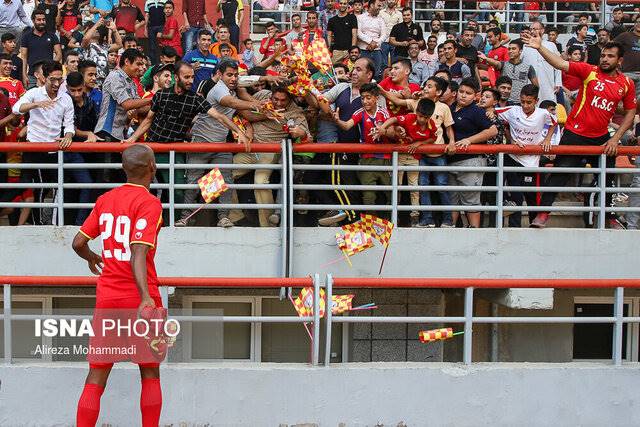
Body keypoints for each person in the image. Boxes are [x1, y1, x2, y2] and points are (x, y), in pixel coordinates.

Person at [72, 144, 164, 427]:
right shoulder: (150, 202)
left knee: (97, 374)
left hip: (108, 298)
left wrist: (92, 258)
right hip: (141, 298)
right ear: (152, 167)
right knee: (149, 372)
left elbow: (78, 243)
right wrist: (146, 297)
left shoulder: (105, 199)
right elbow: (138, 252)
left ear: (124, 169)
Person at [522, 33, 637, 229]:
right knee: (559, 174)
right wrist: (540, 47)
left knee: (607, 179)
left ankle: (609, 217)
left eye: (610, 56)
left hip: (602, 138)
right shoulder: (589, 71)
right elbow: (560, 64)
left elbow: (630, 112)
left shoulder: (626, 83)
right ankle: (543, 214)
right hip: (575, 134)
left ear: (620, 60)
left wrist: (615, 138)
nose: (605, 59)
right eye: (603, 55)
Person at [177, 59, 260, 227]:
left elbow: (254, 78)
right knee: (193, 181)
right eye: (229, 75)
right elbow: (232, 103)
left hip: (221, 144)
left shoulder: (234, 85)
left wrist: (272, 79)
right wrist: (258, 104)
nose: (233, 78)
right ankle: (185, 217)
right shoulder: (218, 89)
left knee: (226, 180)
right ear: (219, 75)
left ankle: (223, 217)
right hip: (201, 142)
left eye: (236, 75)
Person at [238, 85, 310, 227]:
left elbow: (307, 136)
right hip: (249, 148)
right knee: (224, 173)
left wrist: (300, 133)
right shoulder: (262, 95)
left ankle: (268, 226)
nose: (278, 103)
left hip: (270, 151)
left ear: (289, 99)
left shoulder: (295, 112)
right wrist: (248, 126)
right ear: (270, 95)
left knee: (260, 182)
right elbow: (240, 107)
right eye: (275, 99)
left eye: (283, 100)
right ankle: (234, 216)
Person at [12, 60, 75, 225]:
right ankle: (38, 224)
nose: (56, 83)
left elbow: (69, 125)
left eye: (59, 79)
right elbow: (16, 109)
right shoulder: (34, 93)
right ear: (44, 78)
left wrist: (68, 136)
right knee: (39, 187)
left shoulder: (66, 98)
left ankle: (54, 223)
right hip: (35, 148)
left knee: (58, 188)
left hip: (54, 150)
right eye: (52, 79)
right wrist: (36, 104)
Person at [495, 84, 557, 227]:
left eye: (529, 102)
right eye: (522, 101)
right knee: (515, 196)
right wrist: (510, 138)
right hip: (513, 158)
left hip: (531, 162)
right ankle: (514, 227)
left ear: (536, 100)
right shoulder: (513, 110)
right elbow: (494, 113)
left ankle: (533, 225)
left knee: (532, 197)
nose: (525, 105)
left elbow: (554, 122)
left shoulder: (543, 113)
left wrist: (547, 139)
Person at [377, 98, 437, 226]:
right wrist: (383, 127)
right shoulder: (409, 118)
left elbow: (433, 138)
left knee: (414, 188)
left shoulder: (432, 124)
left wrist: (420, 143)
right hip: (400, 156)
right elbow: (394, 119)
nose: (422, 120)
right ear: (416, 112)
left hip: (415, 158)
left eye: (425, 117)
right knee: (396, 185)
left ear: (430, 116)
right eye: (420, 116)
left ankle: (414, 216)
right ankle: (394, 215)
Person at [446, 78, 498, 228]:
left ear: (476, 96)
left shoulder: (476, 111)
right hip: (450, 160)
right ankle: (450, 231)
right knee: (452, 199)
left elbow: (493, 130)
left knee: (471, 199)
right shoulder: (450, 108)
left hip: (471, 160)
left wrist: (469, 140)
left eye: (468, 93)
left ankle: (475, 232)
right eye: (461, 92)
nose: (463, 95)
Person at [333, 82, 391, 211]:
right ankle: (369, 223)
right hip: (366, 159)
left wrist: (383, 131)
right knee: (368, 195)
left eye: (368, 97)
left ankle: (392, 222)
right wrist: (337, 121)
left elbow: (393, 132)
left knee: (390, 193)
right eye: (362, 98)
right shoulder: (360, 112)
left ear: (376, 98)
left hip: (385, 159)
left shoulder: (384, 113)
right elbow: (347, 125)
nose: (365, 101)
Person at [95, 48, 152, 142]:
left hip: (119, 134)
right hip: (107, 132)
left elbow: (139, 108)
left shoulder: (131, 82)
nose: (141, 68)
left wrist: (157, 104)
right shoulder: (115, 76)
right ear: (127, 61)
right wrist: (152, 99)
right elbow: (127, 104)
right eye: (138, 64)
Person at [479, 39, 538, 104]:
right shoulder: (504, 64)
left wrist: (530, 101)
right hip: (504, 102)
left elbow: (536, 86)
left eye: (513, 49)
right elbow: (496, 63)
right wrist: (486, 58)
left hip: (520, 103)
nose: (510, 51)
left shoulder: (528, 67)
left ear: (520, 51)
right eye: (509, 49)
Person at [522, 20, 562, 104]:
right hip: (531, 83)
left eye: (535, 29)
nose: (532, 31)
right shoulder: (526, 45)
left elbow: (558, 65)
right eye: (531, 29)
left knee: (549, 105)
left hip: (548, 82)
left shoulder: (551, 45)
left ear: (542, 30)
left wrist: (558, 82)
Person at [20, 9, 62, 88]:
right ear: (33, 21)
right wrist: (24, 75)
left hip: (49, 76)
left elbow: (59, 54)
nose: (42, 22)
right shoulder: (26, 36)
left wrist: (50, 67)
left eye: (43, 20)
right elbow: (24, 57)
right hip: (32, 76)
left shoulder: (52, 35)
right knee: (32, 99)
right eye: (39, 20)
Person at [81, 18, 123, 87]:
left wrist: (114, 30)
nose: (96, 30)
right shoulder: (86, 45)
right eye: (94, 29)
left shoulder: (104, 46)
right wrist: (96, 24)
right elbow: (85, 38)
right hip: (90, 80)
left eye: (97, 29)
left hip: (104, 82)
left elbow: (119, 45)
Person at [356, 0, 385, 81]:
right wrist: (370, 42)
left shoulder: (381, 19)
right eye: (378, 6)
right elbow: (358, 33)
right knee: (362, 73)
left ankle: (373, 93)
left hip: (376, 50)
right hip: (363, 49)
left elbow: (384, 35)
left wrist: (375, 44)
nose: (380, 8)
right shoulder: (360, 17)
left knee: (375, 75)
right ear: (372, 5)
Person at [614, 14, 640, 100]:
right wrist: (616, 63)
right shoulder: (625, 35)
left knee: (637, 102)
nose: (639, 24)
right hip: (627, 72)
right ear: (634, 23)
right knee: (621, 98)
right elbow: (612, 46)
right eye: (637, 22)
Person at [327, 0, 358, 64]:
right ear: (338, 4)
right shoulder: (332, 20)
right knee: (335, 71)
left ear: (347, 5)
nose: (342, 5)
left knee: (350, 71)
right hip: (336, 51)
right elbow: (329, 35)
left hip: (348, 50)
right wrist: (329, 48)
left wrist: (352, 50)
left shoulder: (352, 17)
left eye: (344, 3)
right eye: (341, 3)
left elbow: (354, 34)